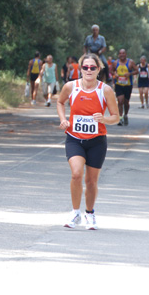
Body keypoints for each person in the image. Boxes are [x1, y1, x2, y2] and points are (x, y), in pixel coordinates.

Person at [56, 53, 120, 230]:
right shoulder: (71, 87)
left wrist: (104, 119)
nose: (89, 70)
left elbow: (116, 117)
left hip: (97, 141)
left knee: (91, 181)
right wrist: (63, 119)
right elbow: (60, 102)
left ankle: (90, 214)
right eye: (85, 67)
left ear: (98, 69)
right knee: (76, 174)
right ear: (80, 69)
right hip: (74, 139)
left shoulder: (105, 90)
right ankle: (75, 212)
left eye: (93, 67)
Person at [112, 49, 138, 126]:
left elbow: (137, 71)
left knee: (126, 102)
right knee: (120, 101)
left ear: (126, 54)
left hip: (128, 85)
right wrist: (115, 74)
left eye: (123, 53)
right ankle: (120, 118)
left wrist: (130, 73)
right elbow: (112, 71)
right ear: (118, 55)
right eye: (120, 53)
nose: (122, 55)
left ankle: (125, 115)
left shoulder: (130, 62)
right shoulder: (115, 63)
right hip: (119, 84)